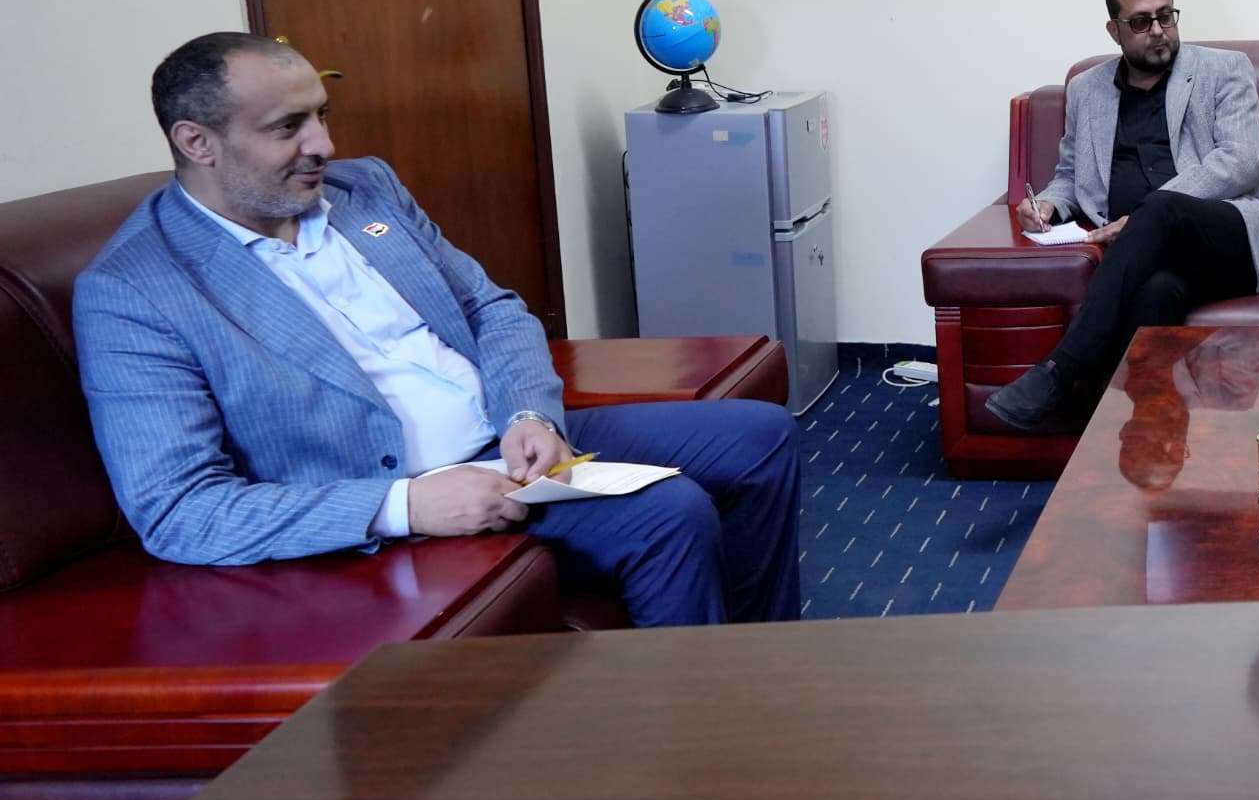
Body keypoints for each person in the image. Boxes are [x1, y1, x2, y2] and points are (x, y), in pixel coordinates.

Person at [75, 34, 801, 626]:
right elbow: (179, 511)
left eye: (321, 115)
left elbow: (491, 308)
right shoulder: (136, 290)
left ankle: (757, 666)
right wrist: (403, 506)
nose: (323, 143)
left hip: (506, 441)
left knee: (761, 435)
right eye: (287, 128)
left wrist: (528, 413)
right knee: (670, 512)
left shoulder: (364, 190)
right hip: (401, 486)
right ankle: (696, 731)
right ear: (198, 142)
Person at [989, 0, 1259, 431]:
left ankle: (1062, 370)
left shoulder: (1223, 70)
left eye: (1165, 16)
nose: (1157, 30)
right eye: (1140, 21)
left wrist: (1141, 215)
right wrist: (1049, 204)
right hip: (1149, 257)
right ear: (1114, 30)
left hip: (1225, 236)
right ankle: (1148, 433)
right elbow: (1071, 175)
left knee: (1160, 207)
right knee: (1156, 292)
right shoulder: (1087, 89)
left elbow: (1242, 160)